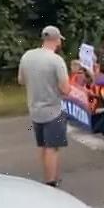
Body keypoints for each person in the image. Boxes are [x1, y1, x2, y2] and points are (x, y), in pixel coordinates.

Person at [18, 25, 70, 187]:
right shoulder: (56, 60)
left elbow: (21, 80)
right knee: (52, 147)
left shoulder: (27, 56)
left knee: (43, 145)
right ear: (56, 40)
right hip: (52, 110)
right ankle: (50, 182)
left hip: (34, 108)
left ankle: (49, 175)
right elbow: (65, 89)